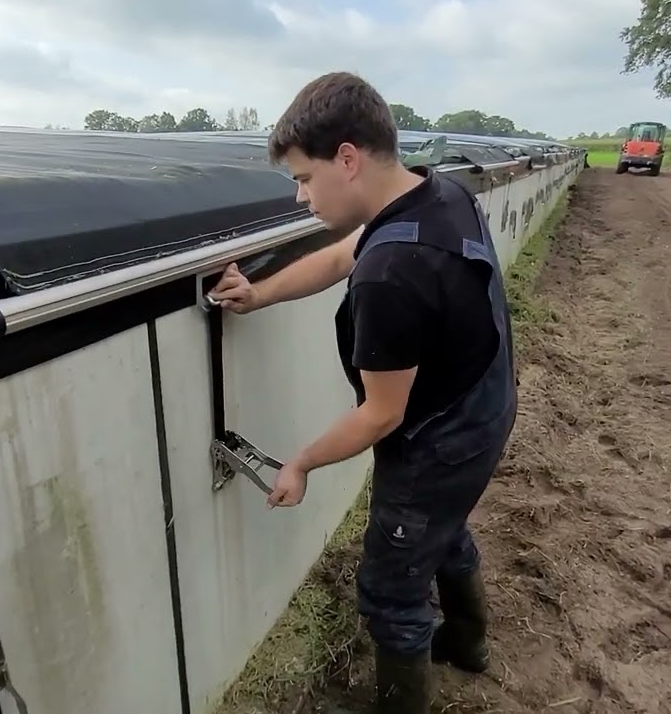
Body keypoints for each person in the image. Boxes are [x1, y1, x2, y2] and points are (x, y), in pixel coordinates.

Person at [206, 72, 517, 714]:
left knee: (392, 589)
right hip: (486, 406)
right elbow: (348, 252)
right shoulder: (439, 194)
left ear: (346, 158)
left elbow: (380, 415)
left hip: (440, 440)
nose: (299, 198)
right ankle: (468, 647)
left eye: (302, 177)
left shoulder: (392, 276)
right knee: (445, 529)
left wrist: (300, 463)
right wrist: (260, 293)